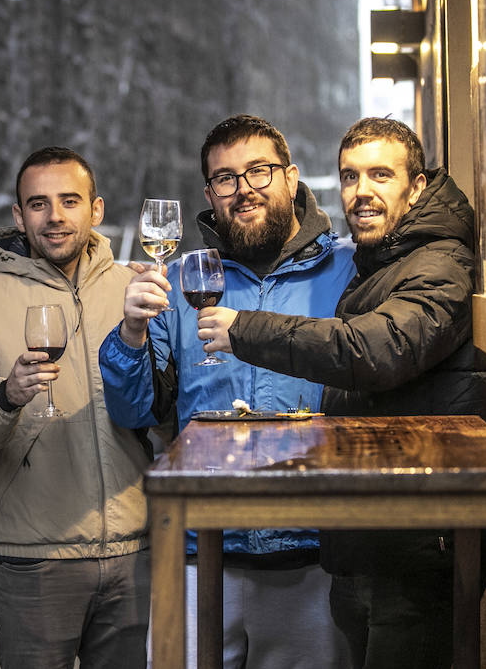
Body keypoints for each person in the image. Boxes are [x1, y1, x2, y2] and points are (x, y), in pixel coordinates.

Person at [197, 117, 486, 669]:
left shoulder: (439, 261)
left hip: (420, 542)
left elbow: (373, 350)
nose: (363, 192)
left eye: (381, 174)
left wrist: (243, 329)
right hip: (370, 535)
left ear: (418, 185)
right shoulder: (381, 258)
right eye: (351, 177)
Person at [98, 114, 355, 669]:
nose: (243, 190)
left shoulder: (348, 270)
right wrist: (130, 333)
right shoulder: (185, 280)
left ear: (290, 177)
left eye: (258, 171)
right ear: (209, 194)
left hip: (314, 551)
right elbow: (132, 408)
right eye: (224, 179)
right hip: (199, 548)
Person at [0, 147, 150, 668]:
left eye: (69, 201)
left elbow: (168, 409)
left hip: (136, 553)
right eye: (38, 203)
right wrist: (6, 395)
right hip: (33, 560)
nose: (54, 216)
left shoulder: (136, 289)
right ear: (19, 216)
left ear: (96, 210)